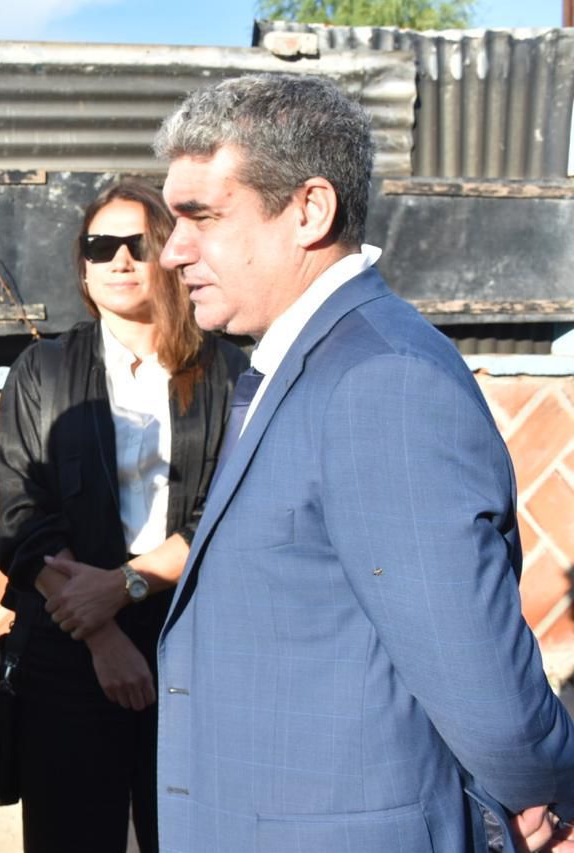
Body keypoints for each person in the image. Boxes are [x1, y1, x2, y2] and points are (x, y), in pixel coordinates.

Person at [153, 72, 574, 852]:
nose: (173, 250)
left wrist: (542, 792)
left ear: (309, 210)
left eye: (202, 216)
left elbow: (474, 665)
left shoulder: (382, 378)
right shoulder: (302, 364)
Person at [0, 180, 248, 852]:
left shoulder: (226, 369)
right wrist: (101, 631)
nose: (119, 260)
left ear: (171, 252)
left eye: (138, 243)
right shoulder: (42, 370)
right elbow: (23, 521)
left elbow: (231, 512)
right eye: (100, 245)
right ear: (83, 265)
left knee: (191, 834)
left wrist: (126, 585)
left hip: (189, 636)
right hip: (68, 640)